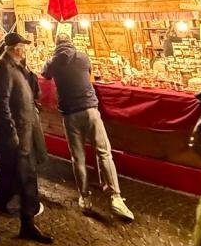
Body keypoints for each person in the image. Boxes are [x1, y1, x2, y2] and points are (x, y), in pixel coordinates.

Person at [42, 33, 133, 220]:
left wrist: (50, 60)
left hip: (70, 114)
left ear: (56, 45)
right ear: (71, 42)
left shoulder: (53, 62)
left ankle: (85, 197)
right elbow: (90, 73)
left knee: (78, 158)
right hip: (90, 109)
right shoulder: (83, 57)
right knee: (104, 153)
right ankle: (116, 198)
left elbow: (45, 74)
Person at [0, 33, 52, 244]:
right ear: (14, 48)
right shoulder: (3, 68)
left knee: (27, 181)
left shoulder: (18, 67)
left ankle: (28, 225)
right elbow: (0, 103)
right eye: (23, 46)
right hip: (14, 138)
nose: (25, 50)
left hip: (25, 134)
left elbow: (31, 93)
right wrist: (11, 133)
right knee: (7, 185)